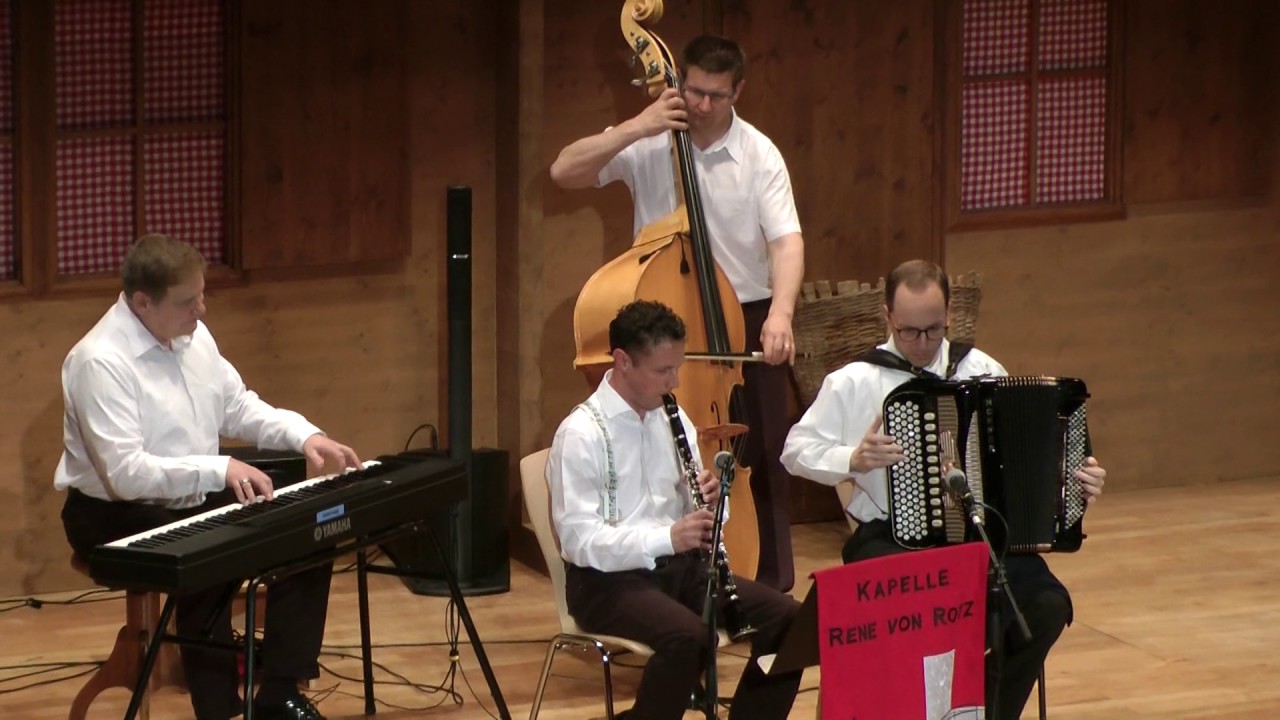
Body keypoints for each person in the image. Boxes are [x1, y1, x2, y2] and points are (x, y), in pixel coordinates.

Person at [780, 259, 1108, 720]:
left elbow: (1024, 460)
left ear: (950, 315)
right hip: (890, 539)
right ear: (887, 316)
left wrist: (1074, 485)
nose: (921, 343)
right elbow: (794, 451)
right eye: (910, 331)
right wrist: (851, 459)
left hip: (978, 538)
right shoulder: (854, 381)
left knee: (1046, 607)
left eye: (933, 330)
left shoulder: (982, 369)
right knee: (921, 621)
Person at [55, 234, 361, 720]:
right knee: (213, 556)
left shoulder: (192, 336)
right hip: (111, 514)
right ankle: (218, 710)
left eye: (202, 295)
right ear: (142, 302)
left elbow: (236, 406)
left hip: (190, 493)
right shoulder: (99, 361)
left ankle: (280, 693)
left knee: (306, 530)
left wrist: (304, 436)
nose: (201, 310)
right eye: (186, 302)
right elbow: (126, 475)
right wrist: (220, 466)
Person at [551, 34, 804, 593]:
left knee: (758, 452)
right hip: (662, 314)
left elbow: (786, 241)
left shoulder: (759, 154)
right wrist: (636, 127)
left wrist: (780, 313)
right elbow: (563, 171)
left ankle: (764, 586)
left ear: (738, 90)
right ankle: (670, 578)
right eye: (692, 91)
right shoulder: (651, 137)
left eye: (716, 95)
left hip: (742, 317)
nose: (702, 105)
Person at [547, 300, 802, 720]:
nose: (675, 380)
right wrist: (667, 537)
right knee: (690, 638)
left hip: (681, 570)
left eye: (677, 367)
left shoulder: (674, 416)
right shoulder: (582, 434)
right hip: (606, 582)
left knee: (789, 620)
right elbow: (579, 542)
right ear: (623, 361)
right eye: (663, 371)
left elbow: (693, 515)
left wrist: (714, 504)